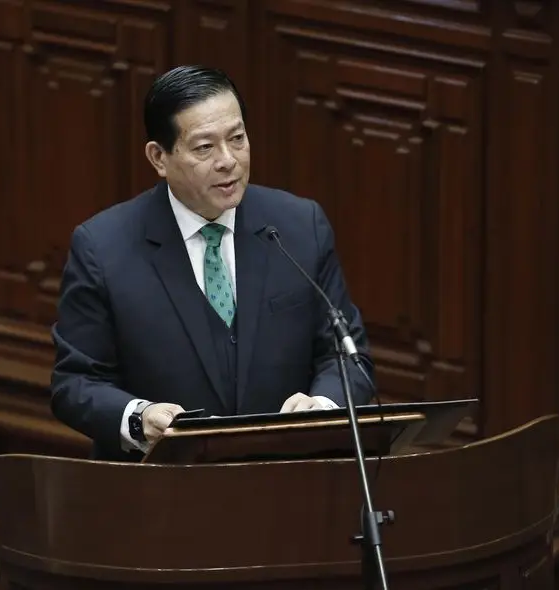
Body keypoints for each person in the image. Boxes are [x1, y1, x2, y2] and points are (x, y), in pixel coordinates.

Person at [50, 65, 374, 461]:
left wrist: (323, 407)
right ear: (159, 157)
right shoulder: (102, 248)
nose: (228, 161)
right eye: (205, 147)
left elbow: (346, 355)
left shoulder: (299, 226)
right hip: (163, 495)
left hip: (287, 483)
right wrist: (139, 417)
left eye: (237, 139)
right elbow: (76, 382)